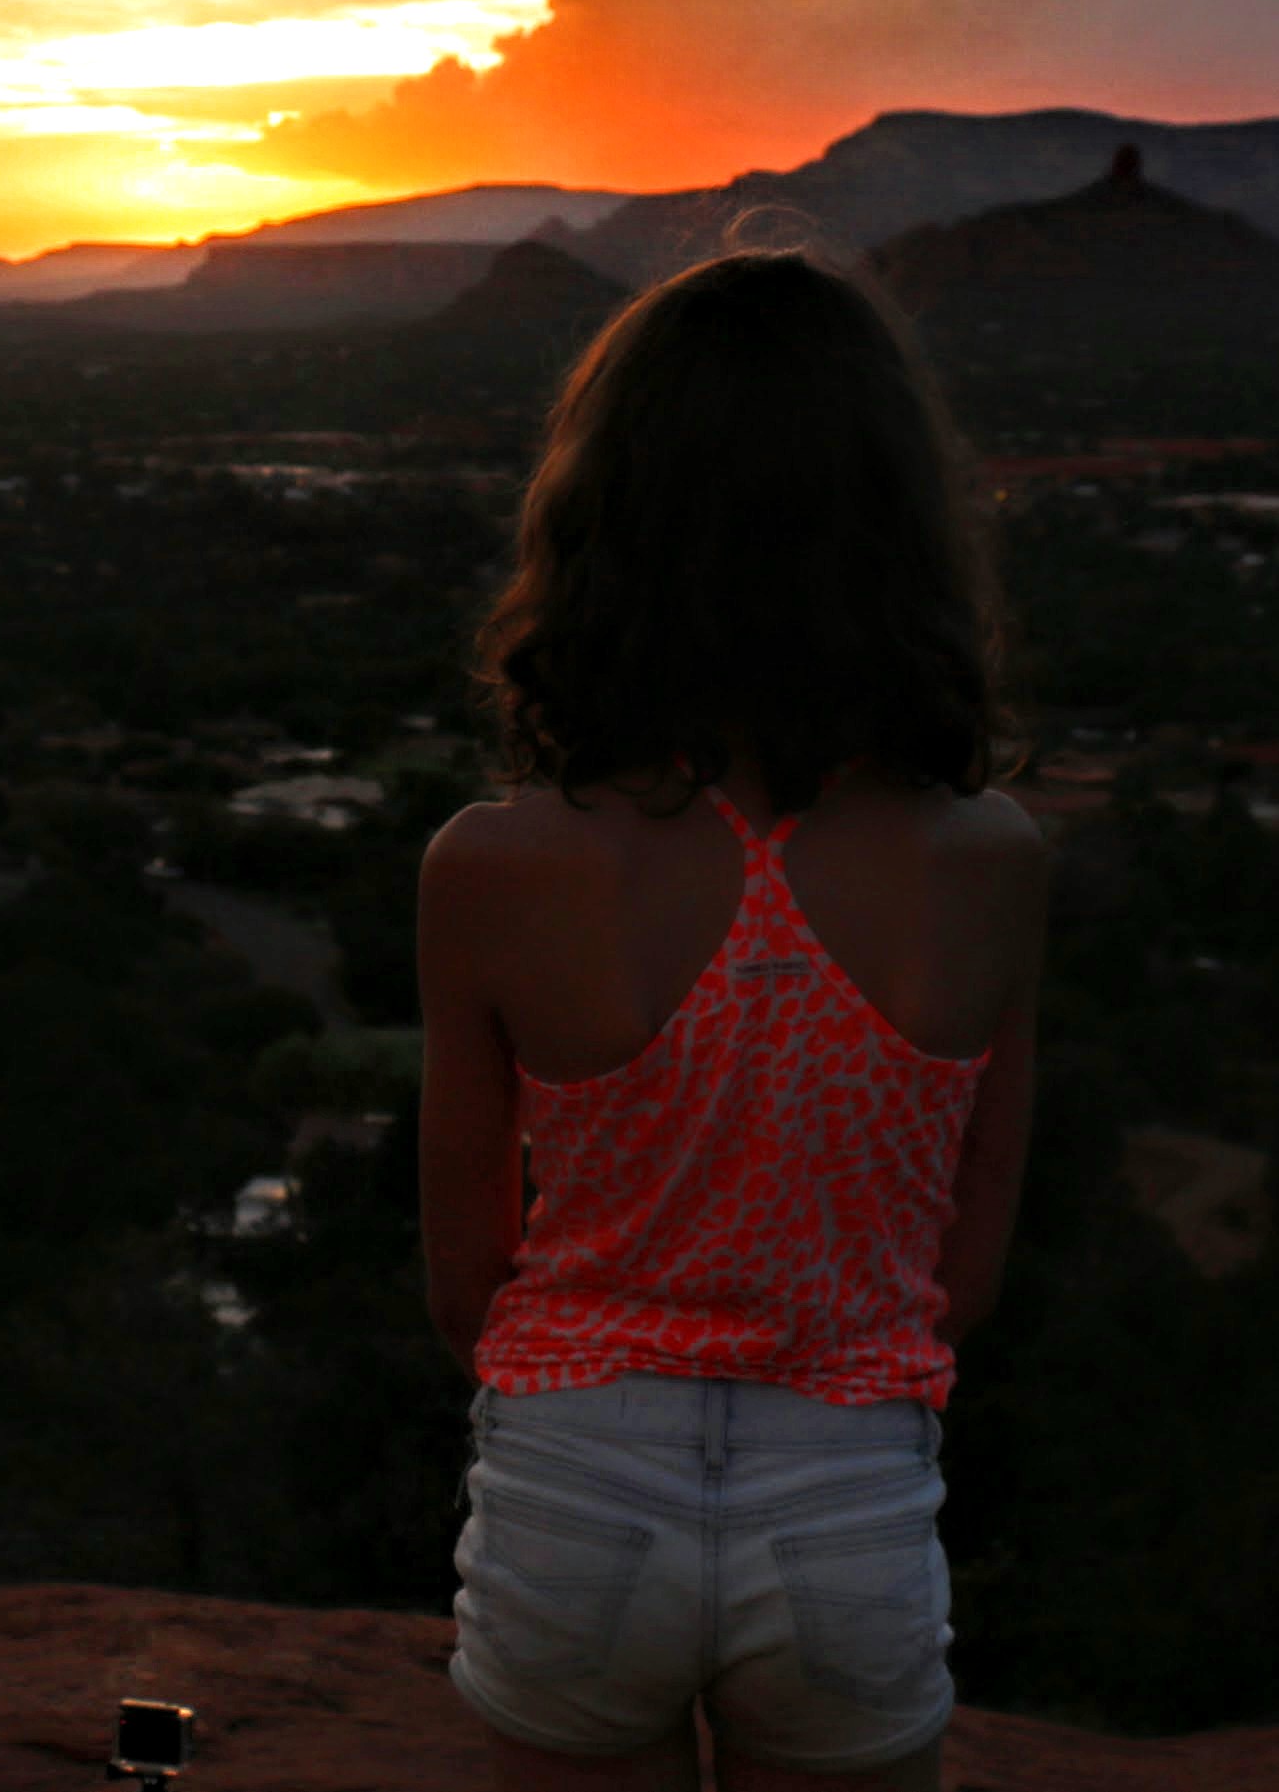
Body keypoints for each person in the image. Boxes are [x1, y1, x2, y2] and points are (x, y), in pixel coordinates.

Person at [415, 251, 1046, 1791]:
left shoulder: (493, 865)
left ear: (598, 521)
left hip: (574, 1488)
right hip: (847, 1503)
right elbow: (962, 1269)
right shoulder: (989, 863)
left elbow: (463, 1282)